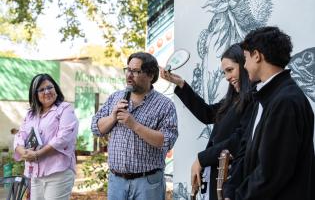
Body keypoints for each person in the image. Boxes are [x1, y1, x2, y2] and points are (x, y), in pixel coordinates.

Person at [223, 26, 315, 200]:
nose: (244, 66)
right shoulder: (265, 96)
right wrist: (231, 191)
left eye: (245, 59)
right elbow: (245, 150)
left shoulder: (286, 101)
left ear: (257, 56)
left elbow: (271, 173)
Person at [160, 43, 254, 200]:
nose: (227, 77)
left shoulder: (253, 99)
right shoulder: (233, 98)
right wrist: (181, 84)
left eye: (230, 70)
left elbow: (239, 140)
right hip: (219, 176)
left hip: (235, 179)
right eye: (225, 72)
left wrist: (201, 158)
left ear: (244, 64)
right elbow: (207, 113)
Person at [91, 52, 178, 200]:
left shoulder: (165, 105)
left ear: (150, 75)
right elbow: (96, 128)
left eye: (136, 71)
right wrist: (113, 116)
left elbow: (166, 141)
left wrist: (134, 125)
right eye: (128, 70)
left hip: (147, 183)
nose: (129, 75)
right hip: (116, 181)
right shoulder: (116, 98)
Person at [14, 73, 79, 200]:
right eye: (42, 89)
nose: (47, 91)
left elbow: (64, 137)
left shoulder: (64, 109)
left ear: (56, 89)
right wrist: (24, 152)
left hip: (58, 173)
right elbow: (20, 135)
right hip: (35, 174)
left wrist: (38, 154)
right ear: (35, 94)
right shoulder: (30, 114)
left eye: (50, 87)